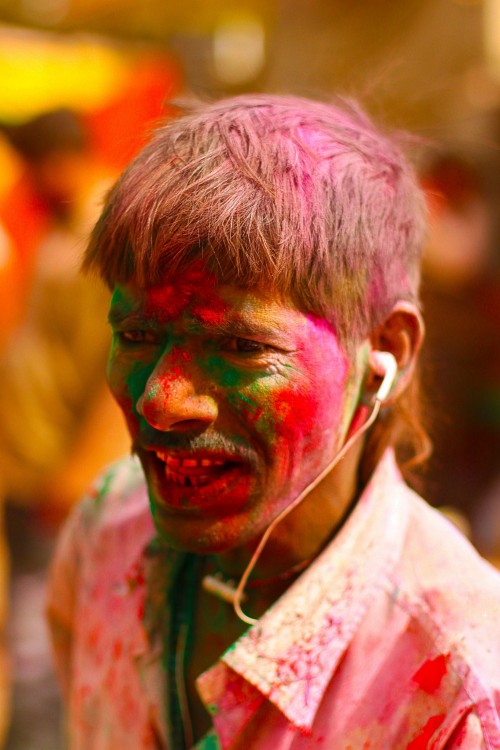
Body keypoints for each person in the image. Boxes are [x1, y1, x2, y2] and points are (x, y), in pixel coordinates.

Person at [47, 95, 500, 749]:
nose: (160, 401)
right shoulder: (106, 531)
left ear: (386, 354)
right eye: (139, 333)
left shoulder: (462, 691)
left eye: (241, 346)